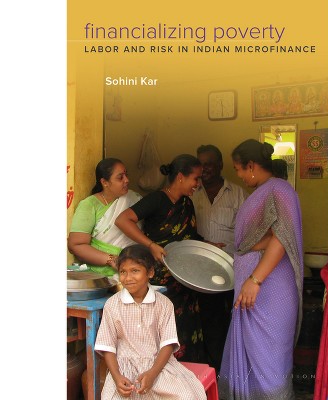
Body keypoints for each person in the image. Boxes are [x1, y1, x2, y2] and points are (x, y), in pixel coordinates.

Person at [218, 139, 303, 400]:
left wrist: (254, 279)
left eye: (239, 169)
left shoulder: (279, 190)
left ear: (252, 165)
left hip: (269, 288)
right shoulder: (265, 191)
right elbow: (266, 237)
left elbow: (282, 238)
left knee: (269, 358)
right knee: (253, 353)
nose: (239, 176)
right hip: (256, 288)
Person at [115, 154, 206, 363]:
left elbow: (188, 237)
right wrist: (150, 245)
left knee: (185, 328)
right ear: (181, 177)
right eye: (195, 178)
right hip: (161, 280)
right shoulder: (156, 199)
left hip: (185, 279)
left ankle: (187, 373)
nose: (198, 184)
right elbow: (123, 220)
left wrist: (207, 245)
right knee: (162, 330)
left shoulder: (187, 204)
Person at [94, 244, 207, 400]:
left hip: (158, 367)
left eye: (135, 271)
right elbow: (107, 346)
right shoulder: (112, 305)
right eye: (123, 272)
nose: (128, 278)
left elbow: (168, 344)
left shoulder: (163, 304)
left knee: (186, 396)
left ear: (150, 272)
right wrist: (117, 377)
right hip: (123, 371)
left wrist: (153, 373)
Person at [191, 144, 248, 371]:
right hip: (199, 270)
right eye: (201, 164)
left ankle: (231, 367)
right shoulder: (192, 191)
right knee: (206, 320)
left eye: (209, 164)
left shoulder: (237, 193)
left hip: (232, 268)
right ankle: (211, 368)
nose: (204, 169)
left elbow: (247, 232)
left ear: (220, 165)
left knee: (230, 319)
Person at [68, 158, 142, 277]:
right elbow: (76, 245)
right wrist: (112, 260)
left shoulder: (134, 199)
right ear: (104, 182)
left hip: (134, 269)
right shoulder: (90, 205)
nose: (127, 180)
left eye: (126, 175)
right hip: (100, 276)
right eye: (120, 177)